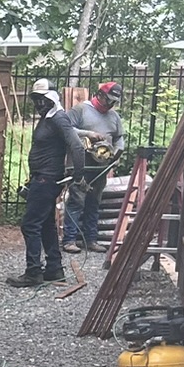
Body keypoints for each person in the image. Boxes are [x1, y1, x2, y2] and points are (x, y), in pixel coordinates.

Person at [10, 79, 84, 287]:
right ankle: (54, 269)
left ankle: (33, 272)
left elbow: (77, 147)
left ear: (51, 99)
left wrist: (78, 175)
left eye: (42, 99)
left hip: (46, 179)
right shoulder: (49, 118)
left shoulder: (58, 118)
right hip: (42, 178)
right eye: (36, 99)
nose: (39, 104)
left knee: (30, 225)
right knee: (45, 224)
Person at [63, 81, 126, 252]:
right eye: (109, 100)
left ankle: (90, 240)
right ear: (100, 95)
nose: (111, 104)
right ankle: (69, 240)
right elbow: (65, 128)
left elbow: (119, 137)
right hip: (81, 164)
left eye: (114, 101)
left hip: (101, 166)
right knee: (76, 200)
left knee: (94, 202)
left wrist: (119, 150)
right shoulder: (81, 110)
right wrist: (88, 134)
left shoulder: (113, 117)